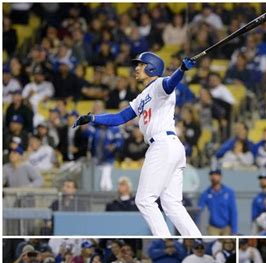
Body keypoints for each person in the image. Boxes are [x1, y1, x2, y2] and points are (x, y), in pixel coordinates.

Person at [73, 52, 201, 237]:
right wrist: (93, 117)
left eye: (141, 64)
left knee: (144, 200)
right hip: (170, 146)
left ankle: (164, 241)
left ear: (152, 67)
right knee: (171, 203)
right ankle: (196, 239)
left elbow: (170, 83)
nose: (136, 68)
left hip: (163, 145)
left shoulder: (159, 84)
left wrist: (181, 70)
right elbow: (120, 117)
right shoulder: (143, 96)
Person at [198, 169, 238, 235]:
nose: (214, 176)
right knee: (214, 244)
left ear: (221, 176)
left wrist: (234, 229)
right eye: (212, 174)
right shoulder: (205, 193)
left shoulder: (229, 192)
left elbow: (233, 211)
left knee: (227, 244)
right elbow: (199, 210)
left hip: (227, 227)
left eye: (216, 174)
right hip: (213, 227)